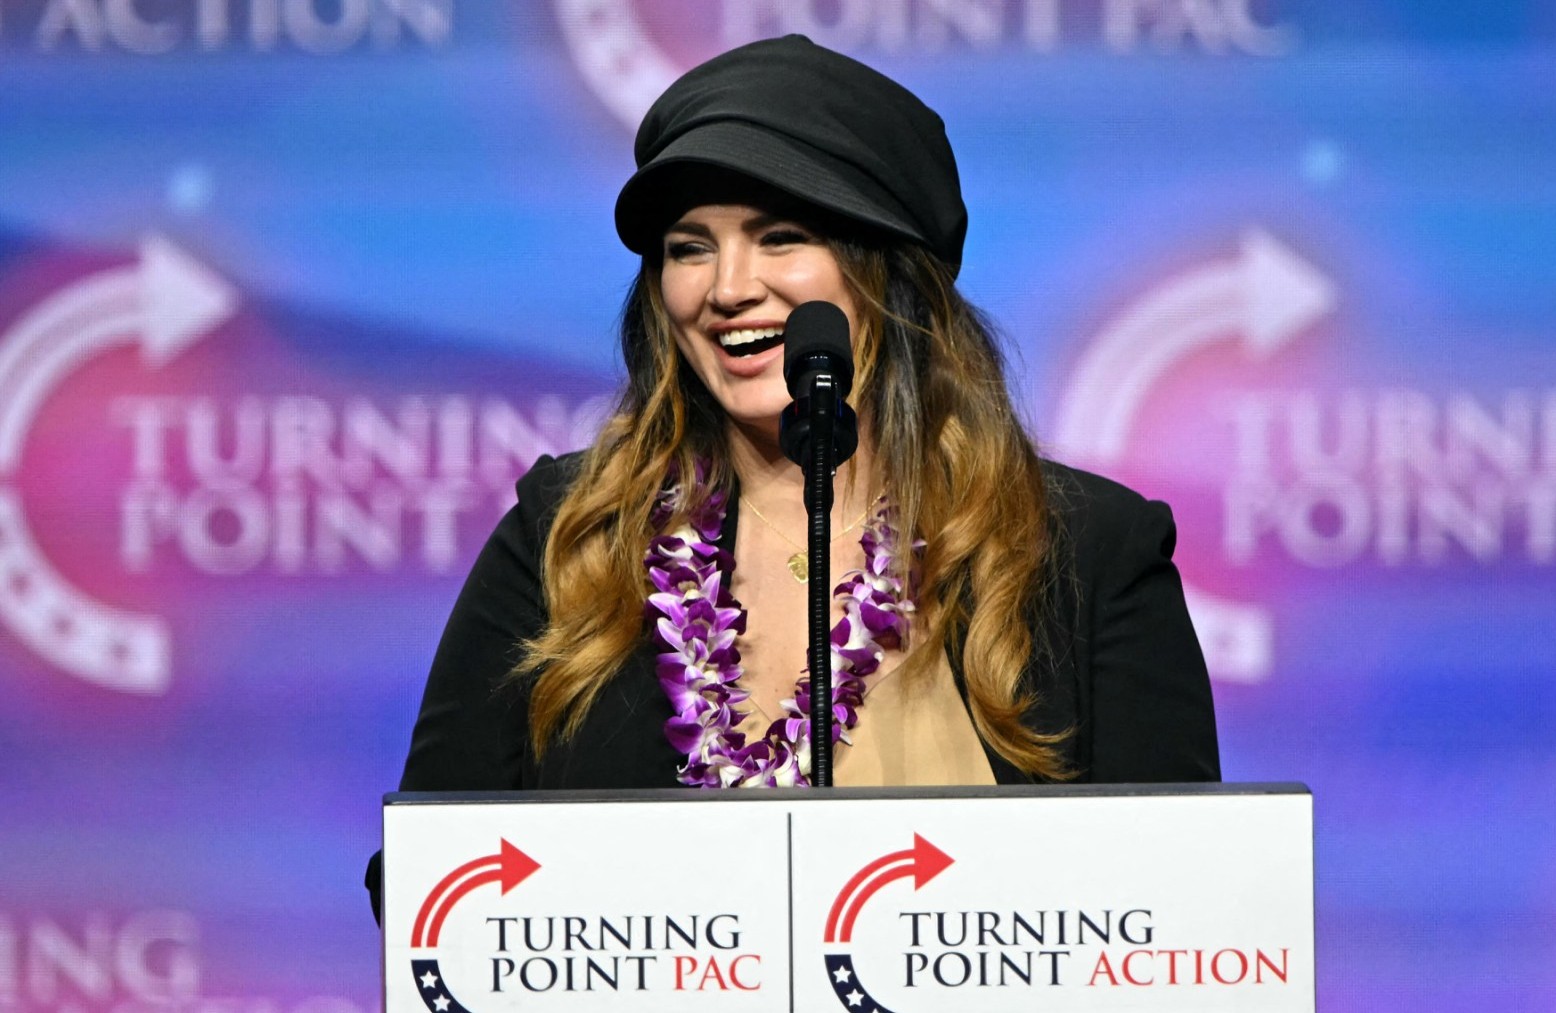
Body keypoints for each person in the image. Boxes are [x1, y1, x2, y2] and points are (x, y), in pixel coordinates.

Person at [369, 33, 1217, 915]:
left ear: (888, 273)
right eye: (688, 248)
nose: (727, 287)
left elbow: (1179, 899)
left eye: (782, 236)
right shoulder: (569, 534)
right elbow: (427, 877)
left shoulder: (1079, 548)